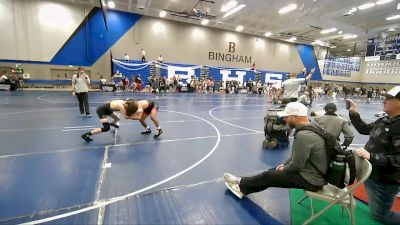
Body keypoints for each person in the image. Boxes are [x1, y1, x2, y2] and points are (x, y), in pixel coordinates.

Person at [224, 102, 327, 198]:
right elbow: (297, 156)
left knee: (270, 176)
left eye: (286, 117)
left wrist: (285, 168)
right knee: (272, 171)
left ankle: (240, 184)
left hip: (312, 180)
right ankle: (242, 185)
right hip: (313, 172)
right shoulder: (312, 126)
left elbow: (297, 165)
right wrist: (284, 165)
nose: (285, 120)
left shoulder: (304, 135)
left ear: (295, 117)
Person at [348, 85, 400, 225]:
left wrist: (371, 156)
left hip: (385, 180)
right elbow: (365, 129)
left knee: (381, 217)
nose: (384, 101)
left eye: (389, 98)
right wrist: (353, 113)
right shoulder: (385, 119)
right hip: (372, 173)